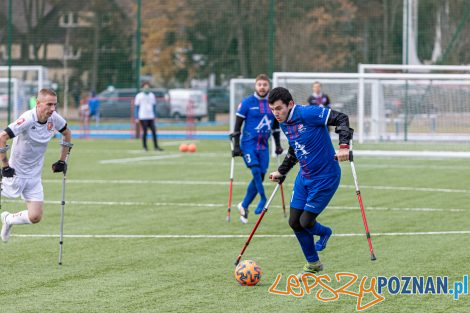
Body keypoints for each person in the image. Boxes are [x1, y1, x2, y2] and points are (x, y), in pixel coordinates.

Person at [267, 87, 351, 275]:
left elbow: (341, 118)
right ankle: (313, 264)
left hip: (325, 177)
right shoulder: (283, 123)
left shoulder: (309, 113)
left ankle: (324, 232)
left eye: (279, 108)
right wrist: (282, 171)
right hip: (304, 177)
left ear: (290, 104)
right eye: (272, 109)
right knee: (294, 222)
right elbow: (294, 148)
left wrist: (344, 146)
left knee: (306, 222)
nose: (276, 113)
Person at [0, 88, 72, 242]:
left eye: (54, 105)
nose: (52, 109)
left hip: (34, 176)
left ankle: (8, 220)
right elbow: (2, 137)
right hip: (14, 173)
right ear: (38, 104)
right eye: (49, 105)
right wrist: (5, 166)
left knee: (35, 216)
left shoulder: (54, 119)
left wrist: (62, 160)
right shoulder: (27, 119)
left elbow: (67, 133)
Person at [231, 74, 283, 224]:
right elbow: (237, 127)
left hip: (263, 146)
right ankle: (263, 198)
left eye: (265, 85)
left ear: (269, 86)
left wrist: (278, 145)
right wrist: (236, 146)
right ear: (255, 86)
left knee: (259, 176)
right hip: (248, 144)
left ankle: (244, 205)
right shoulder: (247, 103)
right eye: (259, 84)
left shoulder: (273, 104)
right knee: (255, 170)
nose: (262, 87)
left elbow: (275, 127)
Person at [134, 83, 163, 151]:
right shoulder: (139, 96)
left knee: (154, 132)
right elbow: (137, 107)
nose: (147, 88)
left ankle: (156, 147)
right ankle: (145, 147)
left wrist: (155, 116)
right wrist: (136, 117)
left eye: (148, 87)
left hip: (151, 116)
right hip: (143, 117)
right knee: (145, 132)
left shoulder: (152, 95)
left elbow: (154, 106)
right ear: (142, 88)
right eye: (145, 87)